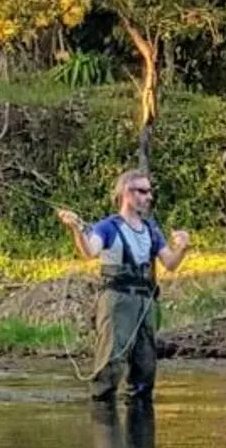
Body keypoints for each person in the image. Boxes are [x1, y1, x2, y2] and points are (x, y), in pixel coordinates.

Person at [58, 169, 192, 405]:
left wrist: (182, 248)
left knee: (145, 364)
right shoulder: (107, 227)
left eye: (149, 191)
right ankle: (103, 412)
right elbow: (89, 252)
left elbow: (170, 264)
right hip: (116, 300)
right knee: (111, 360)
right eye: (143, 191)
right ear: (126, 193)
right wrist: (76, 230)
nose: (149, 197)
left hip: (145, 302)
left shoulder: (151, 229)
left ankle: (140, 415)